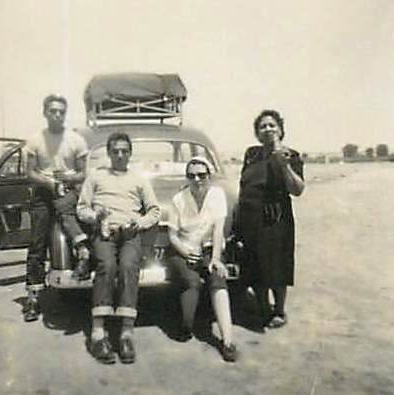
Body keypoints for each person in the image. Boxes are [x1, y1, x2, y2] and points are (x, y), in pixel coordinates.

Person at [77, 132, 161, 364]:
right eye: (116, 151)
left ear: (130, 153)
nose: (120, 155)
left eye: (125, 151)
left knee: (128, 266)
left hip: (130, 234)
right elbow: (81, 209)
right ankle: (97, 334)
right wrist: (96, 216)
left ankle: (126, 334)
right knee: (106, 265)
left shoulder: (139, 179)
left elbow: (155, 210)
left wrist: (139, 223)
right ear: (109, 153)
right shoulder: (96, 176)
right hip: (104, 232)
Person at [235, 109, 304, 329]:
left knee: (277, 265)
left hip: (275, 217)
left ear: (280, 130)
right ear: (257, 132)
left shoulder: (290, 155)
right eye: (262, 126)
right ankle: (263, 308)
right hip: (250, 216)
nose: (267, 129)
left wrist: (283, 165)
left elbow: (297, 189)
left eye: (272, 125)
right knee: (255, 264)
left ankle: (279, 310)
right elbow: (244, 184)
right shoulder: (251, 154)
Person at [24, 94, 90, 322]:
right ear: (45, 113)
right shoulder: (35, 140)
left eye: (61, 111)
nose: (57, 115)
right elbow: (30, 172)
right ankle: (33, 298)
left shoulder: (76, 140)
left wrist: (68, 179)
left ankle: (81, 257)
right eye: (52, 111)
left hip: (69, 191)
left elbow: (84, 173)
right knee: (37, 245)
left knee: (72, 221)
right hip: (43, 193)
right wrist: (49, 182)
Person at [167, 157, 238, 362]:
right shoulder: (178, 199)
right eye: (191, 176)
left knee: (217, 279)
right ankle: (186, 325)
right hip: (182, 249)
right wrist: (186, 253)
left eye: (201, 175)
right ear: (187, 178)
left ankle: (227, 341)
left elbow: (218, 230)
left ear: (209, 176)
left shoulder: (217, 195)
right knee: (191, 282)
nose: (197, 180)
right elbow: (172, 236)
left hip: (208, 249)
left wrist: (216, 259)